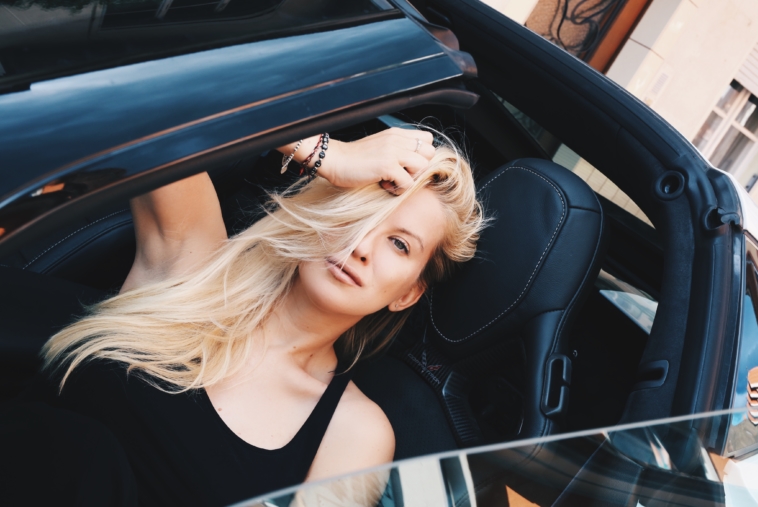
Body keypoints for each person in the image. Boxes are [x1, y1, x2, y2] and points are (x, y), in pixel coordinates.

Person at [35, 127, 484, 505]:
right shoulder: (194, 264)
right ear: (326, 207)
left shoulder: (353, 434)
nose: (361, 246)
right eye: (357, 214)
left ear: (407, 294)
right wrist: (325, 152)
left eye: (399, 244)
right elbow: (138, 96)